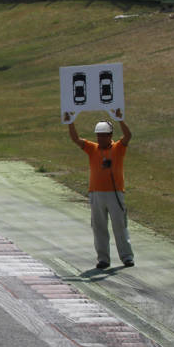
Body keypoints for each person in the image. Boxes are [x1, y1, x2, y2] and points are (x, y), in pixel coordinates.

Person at [68, 114, 134, 269]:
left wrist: (120, 119)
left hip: (115, 193)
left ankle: (127, 257)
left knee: (120, 226)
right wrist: (70, 122)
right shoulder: (92, 148)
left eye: (103, 135)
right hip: (96, 193)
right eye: (98, 135)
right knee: (99, 227)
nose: (100, 138)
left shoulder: (118, 148)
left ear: (110, 135)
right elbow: (75, 139)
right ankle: (103, 259)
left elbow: (128, 136)